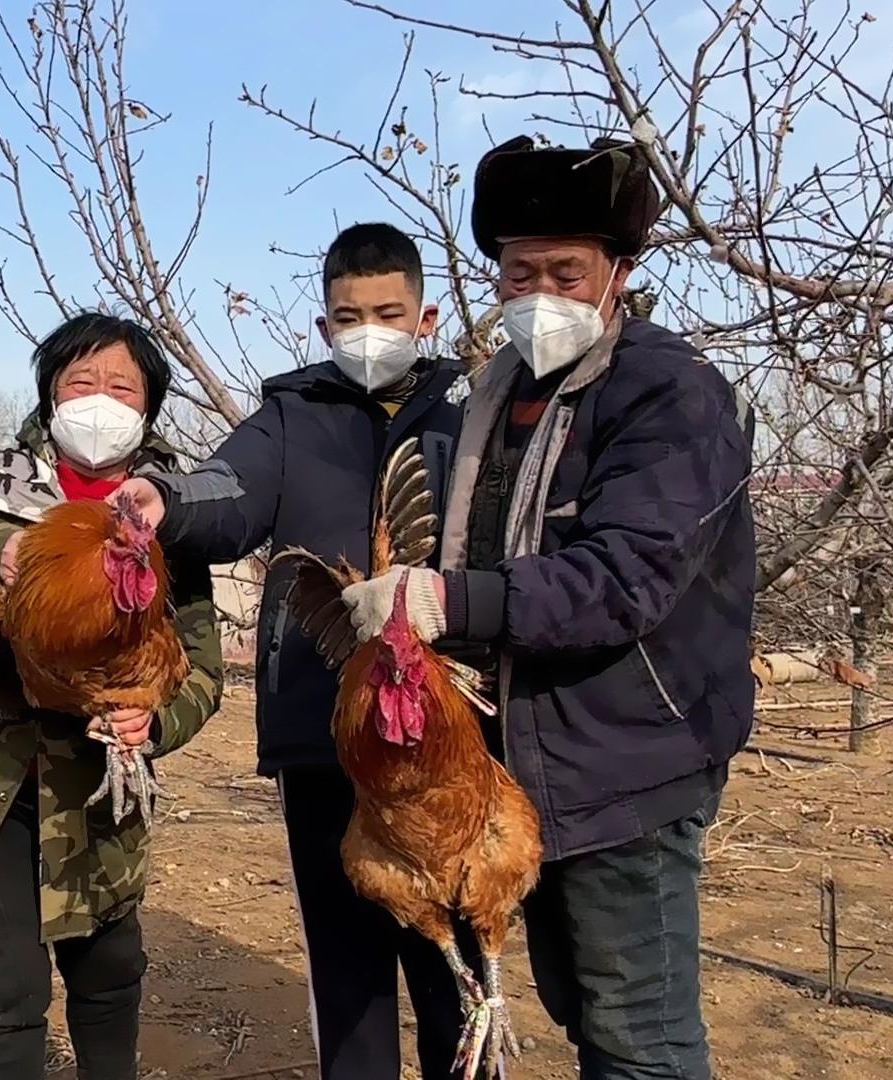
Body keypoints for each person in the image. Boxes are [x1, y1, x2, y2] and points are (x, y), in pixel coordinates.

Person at [337, 136, 757, 1079]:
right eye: (518, 271)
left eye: (566, 270)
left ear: (619, 272)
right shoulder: (502, 391)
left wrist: (448, 598)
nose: (540, 292)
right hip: (533, 766)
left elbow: (627, 577)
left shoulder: (668, 392)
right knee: (585, 1012)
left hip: (628, 757)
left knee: (638, 1036)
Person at [111, 223, 485, 1080]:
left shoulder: (475, 410)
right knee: (348, 969)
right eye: (349, 316)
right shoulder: (291, 414)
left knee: (455, 968)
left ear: (425, 316)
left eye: (388, 312)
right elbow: (227, 488)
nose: (369, 330)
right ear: (323, 326)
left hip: (447, 740)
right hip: (326, 729)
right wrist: (165, 497)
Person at [0, 312, 224, 1080]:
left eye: (121, 386)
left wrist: (155, 721)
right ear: (49, 394)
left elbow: (203, 673)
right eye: (81, 382)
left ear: (148, 406)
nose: (100, 400)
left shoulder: (173, 515)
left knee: (108, 969)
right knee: (2, 987)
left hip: (99, 787)